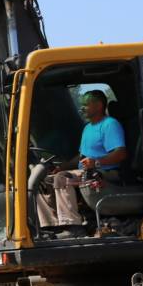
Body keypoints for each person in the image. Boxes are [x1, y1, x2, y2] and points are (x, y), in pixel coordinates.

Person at [36, 90, 127, 236]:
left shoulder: (110, 124)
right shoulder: (87, 128)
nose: (82, 108)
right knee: (43, 181)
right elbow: (81, 157)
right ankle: (51, 225)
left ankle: (73, 226)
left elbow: (121, 153)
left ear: (98, 106)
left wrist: (96, 162)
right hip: (84, 172)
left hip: (105, 172)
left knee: (63, 178)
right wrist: (60, 167)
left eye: (86, 104)